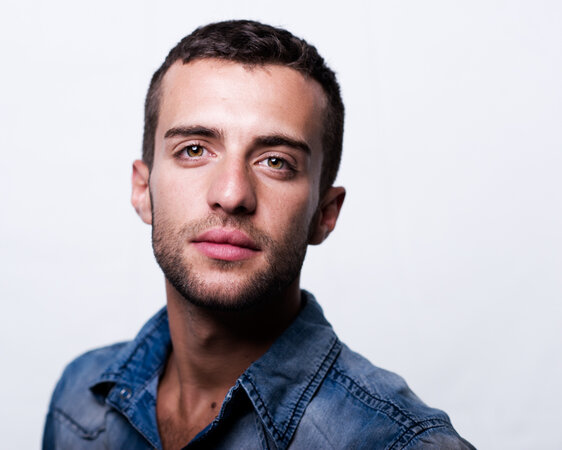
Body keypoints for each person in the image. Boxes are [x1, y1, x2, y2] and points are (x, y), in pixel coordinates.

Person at [43, 20, 474, 449]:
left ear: (324, 213)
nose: (231, 194)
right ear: (143, 190)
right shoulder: (80, 401)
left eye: (276, 161)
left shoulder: (401, 444)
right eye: (194, 150)